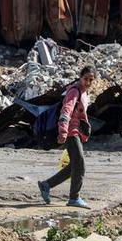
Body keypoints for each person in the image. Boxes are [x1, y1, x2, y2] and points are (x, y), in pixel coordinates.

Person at [38, 66, 95, 209]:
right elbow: (66, 110)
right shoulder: (74, 92)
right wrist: (63, 131)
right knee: (80, 164)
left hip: (75, 132)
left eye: (91, 80)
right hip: (70, 132)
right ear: (80, 77)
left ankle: (47, 185)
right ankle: (74, 198)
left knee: (74, 166)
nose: (87, 82)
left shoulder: (83, 92)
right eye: (85, 78)